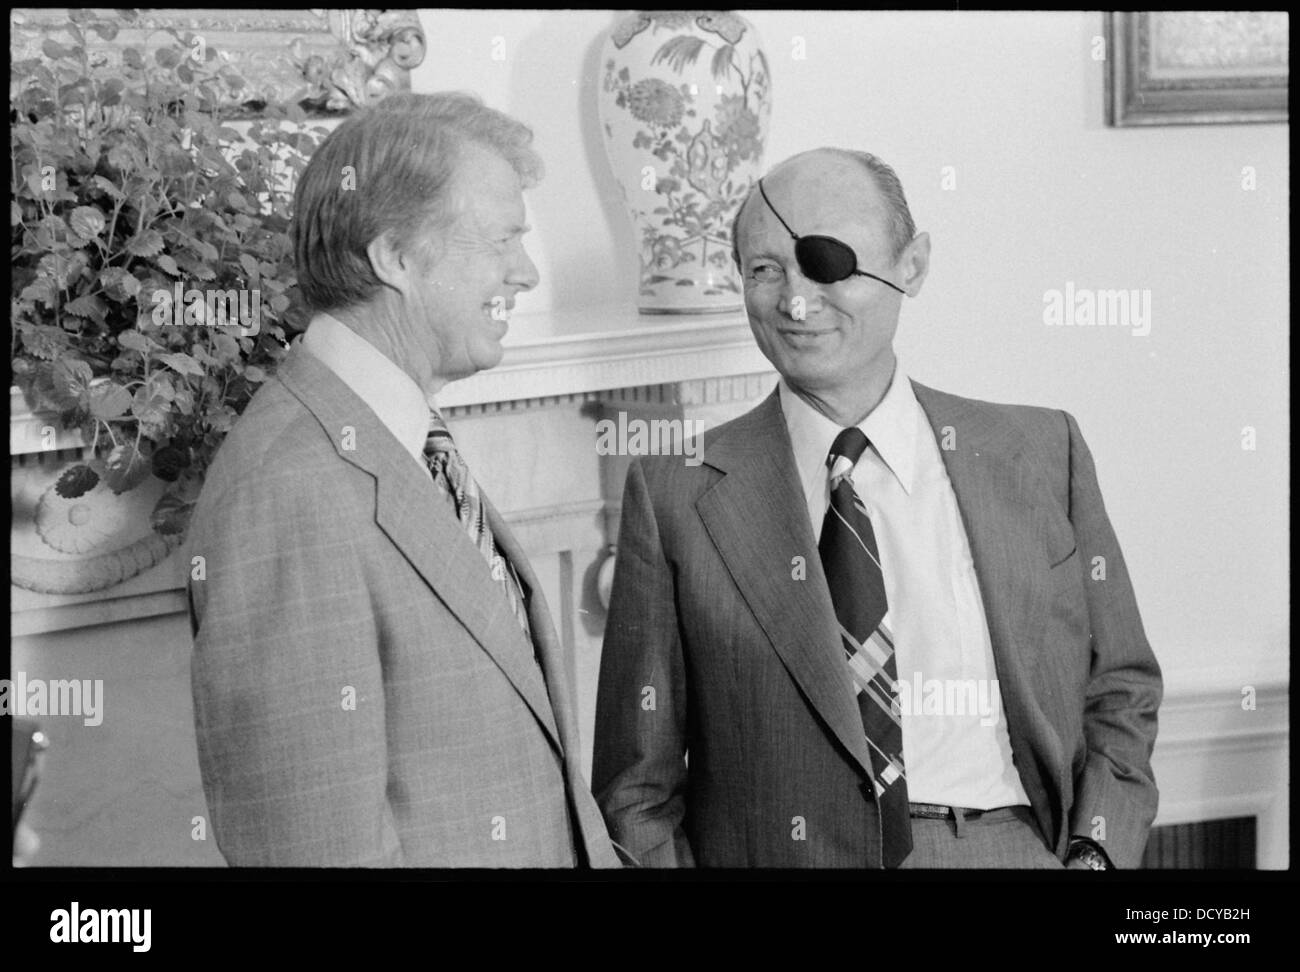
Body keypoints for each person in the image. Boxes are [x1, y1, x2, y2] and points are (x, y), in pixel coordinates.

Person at [592, 147, 1161, 869]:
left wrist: (1095, 855)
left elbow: (1122, 688)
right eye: (764, 270)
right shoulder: (677, 493)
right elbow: (635, 789)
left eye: (826, 261)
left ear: (913, 266)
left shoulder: (1042, 452)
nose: (795, 301)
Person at [187, 92, 619, 867]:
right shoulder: (287, 488)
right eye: (501, 240)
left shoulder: (401, 439)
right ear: (395, 257)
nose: (524, 272)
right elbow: (315, 846)